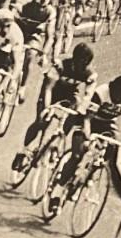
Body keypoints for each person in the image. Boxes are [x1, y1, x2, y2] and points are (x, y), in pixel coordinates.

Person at [14, 42, 96, 171]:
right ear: (75, 59)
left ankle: (58, 141)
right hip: (50, 92)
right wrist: (47, 109)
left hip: (68, 95)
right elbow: (48, 88)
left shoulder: (89, 73)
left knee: (75, 112)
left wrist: (82, 108)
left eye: (86, 63)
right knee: (41, 122)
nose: (83, 66)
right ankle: (22, 151)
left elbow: (88, 94)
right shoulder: (60, 66)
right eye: (81, 62)